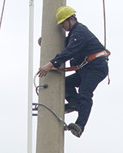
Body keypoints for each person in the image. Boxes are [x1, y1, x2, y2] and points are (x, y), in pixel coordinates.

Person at [37, 6, 109, 138]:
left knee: (85, 93)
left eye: (63, 23)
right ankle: (74, 102)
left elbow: (69, 51)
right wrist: (47, 41)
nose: (62, 26)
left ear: (71, 19)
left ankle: (80, 126)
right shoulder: (74, 34)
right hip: (87, 69)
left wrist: (50, 64)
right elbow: (65, 45)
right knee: (65, 84)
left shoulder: (80, 32)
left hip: (95, 68)